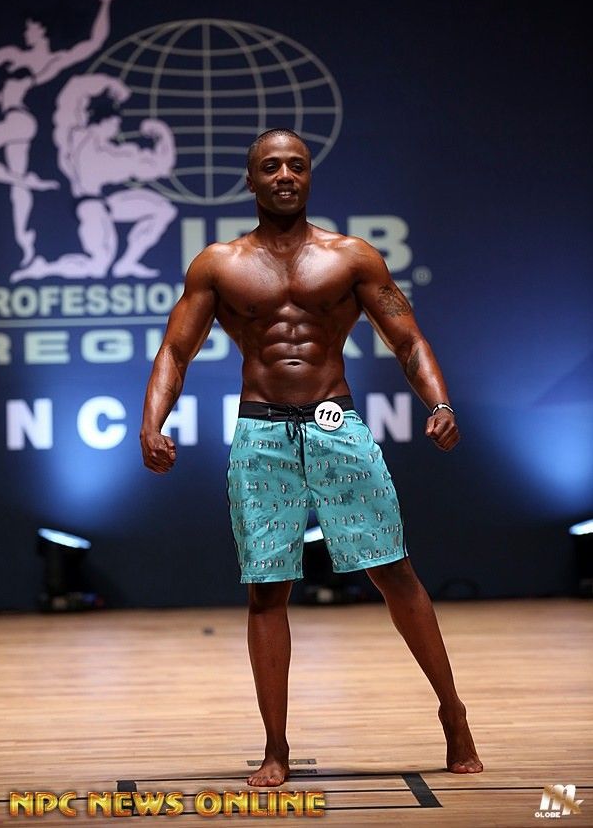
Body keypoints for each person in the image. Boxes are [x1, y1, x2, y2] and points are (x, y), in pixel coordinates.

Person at [140, 128, 483, 786]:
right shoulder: (218, 265)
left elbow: (407, 339)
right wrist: (152, 423)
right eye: (271, 166)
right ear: (251, 180)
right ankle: (276, 748)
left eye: (296, 165)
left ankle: (452, 711)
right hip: (262, 433)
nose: (285, 176)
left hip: (334, 423)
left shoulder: (351, 257)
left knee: (394, 571)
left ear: (309, 176)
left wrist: (440, 403)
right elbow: (175, 351)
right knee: (266, 591)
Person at [0, 0, 122, 268]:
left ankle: (24, 184)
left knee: (18, 182)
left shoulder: (48, 61)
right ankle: (25, 246)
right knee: (18, 190)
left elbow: (93, 43)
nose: (26, 33)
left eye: (30, 28)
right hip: (19, 123)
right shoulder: (12, 55)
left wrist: (105, 5)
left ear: (42, 30)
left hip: (18, 121)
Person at [11, 74, 176, 282]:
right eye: (114, 124)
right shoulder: (77, 139)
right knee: (99, 265)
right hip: (90, 206)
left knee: (163, 209)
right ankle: (43, 268)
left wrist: (163, 135)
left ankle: (128, 262)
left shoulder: (111, 151)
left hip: (106, 203)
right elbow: (73, 95)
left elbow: (159, 166)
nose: (116, 129)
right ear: (104, 121)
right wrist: (109, 85)